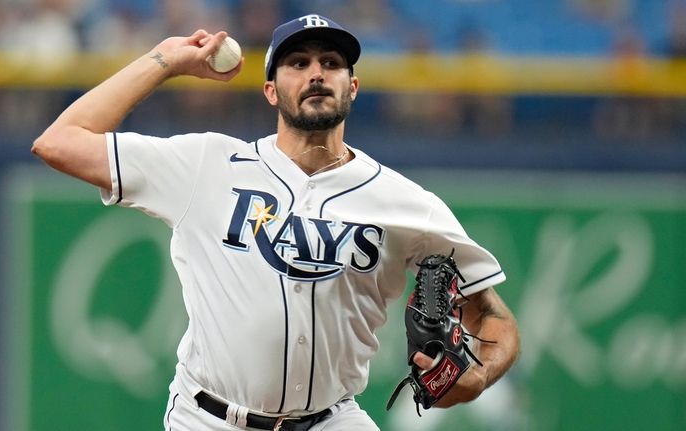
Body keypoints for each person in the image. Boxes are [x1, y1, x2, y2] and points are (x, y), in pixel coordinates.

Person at [32, 13, 520, 431]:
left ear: (352, 86)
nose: (316, 74)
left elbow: (494, 316)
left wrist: (478, 378)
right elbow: (59, 142)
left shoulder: (405, 203)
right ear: (271, 89)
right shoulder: (207, 164)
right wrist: (165, 61)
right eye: (298, 63)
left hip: (333, 418)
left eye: (331, 64)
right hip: (208, 418)